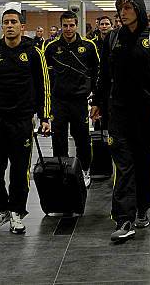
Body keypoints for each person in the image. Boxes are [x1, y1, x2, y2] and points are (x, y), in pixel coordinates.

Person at [90, 0, 150, 242]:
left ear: (138, 9)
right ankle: (123, 218)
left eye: (128, 8)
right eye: (120, 8)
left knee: (142, 164)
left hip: (147, 113)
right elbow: (104, 74)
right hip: (119, 113)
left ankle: (142, 208)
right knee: (123, 166)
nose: (123, 12)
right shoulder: (112, 38)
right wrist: (97, 102)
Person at [0, 9, 51, 235]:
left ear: (21, 27)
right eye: (6, 22)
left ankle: (16, 210)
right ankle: (1, 207)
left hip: (22, 119)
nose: (9, 26)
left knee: (19, 169)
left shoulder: (34, 53)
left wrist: (45, 117)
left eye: (13, 22)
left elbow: (43, 86)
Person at [44, 11, 100, 188]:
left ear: (77, 25)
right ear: (61, 26)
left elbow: (97, 73)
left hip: (79, 101)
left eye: (71, 25)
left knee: (82, 138)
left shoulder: (89, 46)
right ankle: (63, 170)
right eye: (65, 25)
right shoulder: (51, 47)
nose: (68, 29)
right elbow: (45, 77)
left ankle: (84, 170)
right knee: (58, 138)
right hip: (58, 101)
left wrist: (95, 98)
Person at [89, 15, 114, 179]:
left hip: (113, 90)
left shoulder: (116, 41)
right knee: (99, 127)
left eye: (107, 24)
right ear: (98, 26)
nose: (104, 26)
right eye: (102, 24)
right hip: (98, 90)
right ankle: (101, 164)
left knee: (112, 127)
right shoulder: (92, 44)